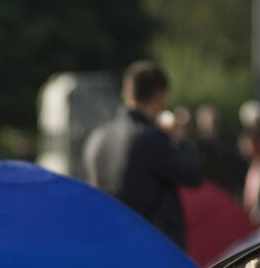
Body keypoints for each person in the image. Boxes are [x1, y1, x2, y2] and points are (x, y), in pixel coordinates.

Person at [82, 62, 203, 250]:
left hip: (107, 243)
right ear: (160, 95)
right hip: (150, 249)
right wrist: (180, 140)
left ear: (126, 92)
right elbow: (193, 175)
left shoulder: (97, 138)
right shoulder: (150, 139)